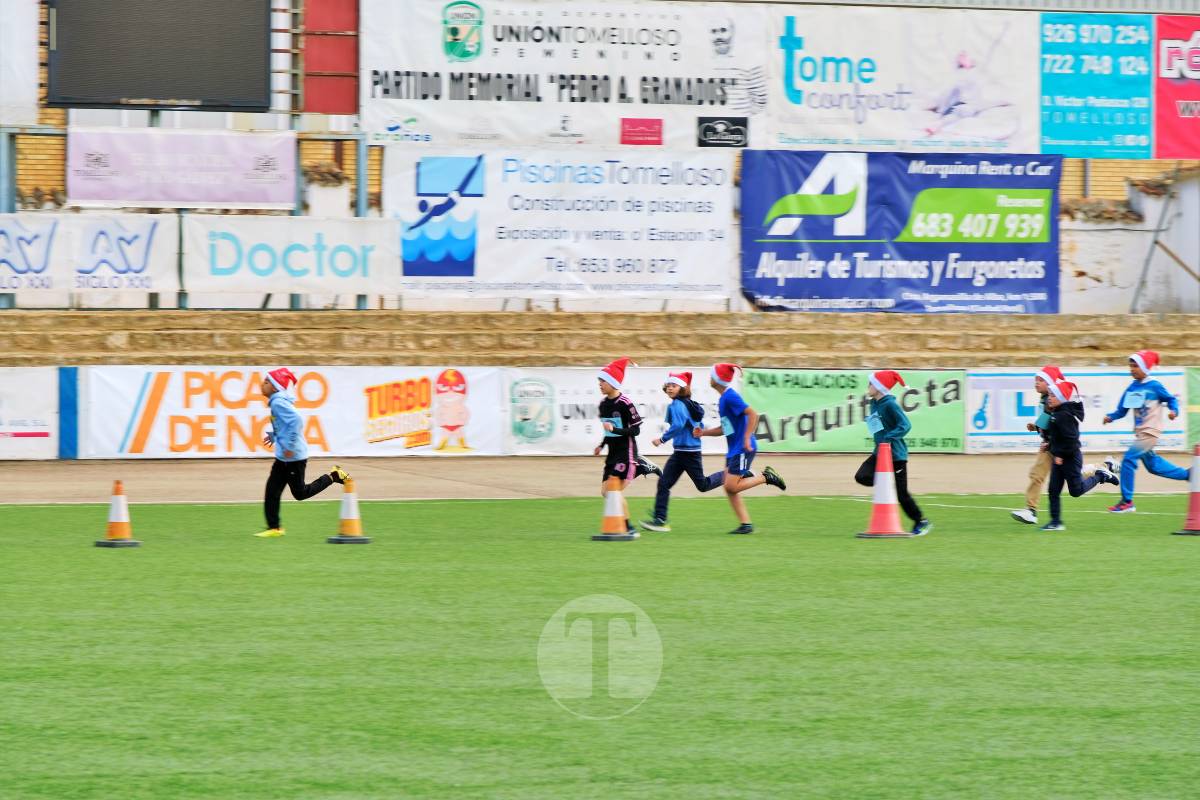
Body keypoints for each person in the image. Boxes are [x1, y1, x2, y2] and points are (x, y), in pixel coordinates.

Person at [255, 367, 348, 538]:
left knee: (300, 493)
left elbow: (297, 421)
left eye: (266, 382)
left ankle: (333, 476)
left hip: (293, 457)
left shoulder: (277, 402)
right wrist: (274, 435)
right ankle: (274, 528)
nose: (262, 384)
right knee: (272, 490)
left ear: (275, 387)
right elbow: (283, 424)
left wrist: (289, 446)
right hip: (283, 457)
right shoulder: (276, 401)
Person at [693, 363, 785, 535]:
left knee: (731, 486)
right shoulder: (723, 400)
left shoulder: (730, 397)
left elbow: (753, 413)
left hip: (743, 447)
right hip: (734, 449)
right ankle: (746, 524)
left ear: (718, 379)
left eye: (712, 375)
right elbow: (725, 429)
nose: (709, 377)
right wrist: (703, 433)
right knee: (729, 487)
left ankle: (766, 477)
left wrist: (746, 437)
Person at [1102, 350, 1190, 513]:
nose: (1132, 369)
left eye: (1136, 366)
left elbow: (1171, 399)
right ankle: (1189, 475)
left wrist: (1174, 411)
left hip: (1150, 432)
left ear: (1145, 367)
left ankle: (1127, 502)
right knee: (1153, 466)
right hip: (1141, 433)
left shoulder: (1154, 385)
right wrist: (1111, 417)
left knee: (1128, 459)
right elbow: (1122, 410)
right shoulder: (1132, 387)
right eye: (1130, 366)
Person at [640, 371, 722, 532]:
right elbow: (696, 424)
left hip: (689, 454)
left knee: (703, 485)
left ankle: (730, 474)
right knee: (664, 483)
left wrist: (662, 439)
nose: (670, 388)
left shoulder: (678, 405)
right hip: (681, 453)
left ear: (682, 388)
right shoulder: (688, 403)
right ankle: (660, 519)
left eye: (674, 385)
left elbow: (677, 425)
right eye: (668, 385)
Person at [854, 370, 932, 536]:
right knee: (861, 476)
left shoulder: (890, 404)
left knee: (902, 495)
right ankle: (886, 485)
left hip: (896, 456)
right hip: (879, 453)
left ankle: (921, 521)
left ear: (880, 387)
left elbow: (905, 425)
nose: (868, 386)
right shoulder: (873, 403)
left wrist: (888, 438)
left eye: (871, 383)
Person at [594, 358, 661, 536]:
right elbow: (608, 431)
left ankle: (627, 526)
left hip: (626, 451)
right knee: (605, 492)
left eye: (603, 381)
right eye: (599, 381)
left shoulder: (625, 403)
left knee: (613, 490)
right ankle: (641, 467)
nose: (600, 384)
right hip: (612, 453)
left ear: (614, 382)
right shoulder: (603, 404)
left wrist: (615, 429)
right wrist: (601, 445)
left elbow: (636, 430)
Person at [1042, 379, 1120, 531]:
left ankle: (1100, 475)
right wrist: (1049, 445)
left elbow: (1072, 441)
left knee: (1076, 491)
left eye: (1053, 395)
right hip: (1060, 458)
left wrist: (1060, 456)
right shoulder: (1056, 414)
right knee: (1053, 490)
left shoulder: (1063, 415)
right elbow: (1058, 438)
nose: (1049, 398)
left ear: (1062, 398)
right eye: (1049, 395)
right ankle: (1056, 522)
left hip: (1070, 458)